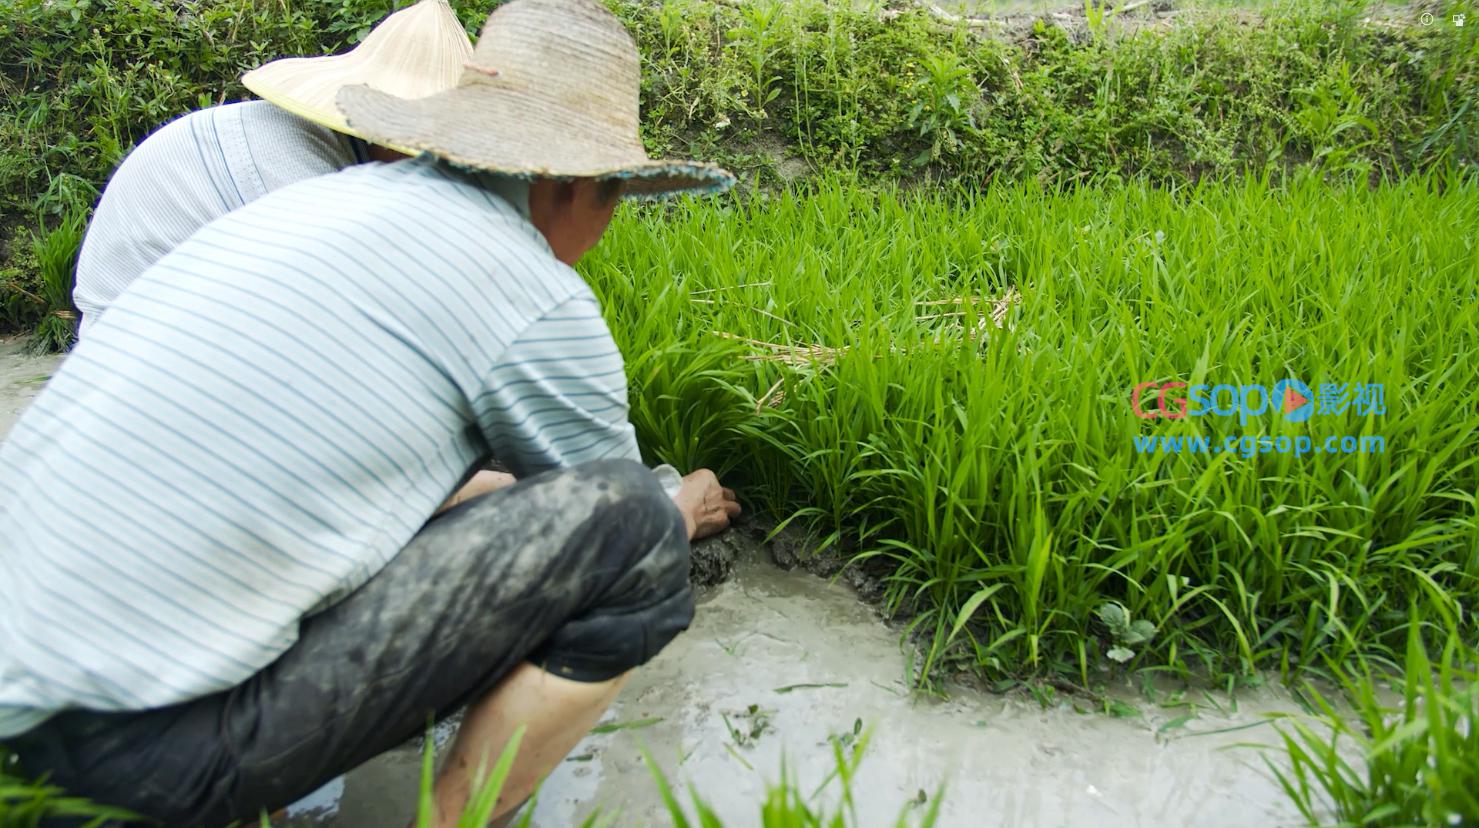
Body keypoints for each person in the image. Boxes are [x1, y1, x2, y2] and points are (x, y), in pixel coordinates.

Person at [0, 0, 741, 825]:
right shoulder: (533, 295)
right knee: (633, 527)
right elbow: (600, 519)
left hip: (18, 708)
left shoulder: (295, 210)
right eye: (616, 200)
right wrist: (680, 505)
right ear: (576, 185)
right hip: (128, 764)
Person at [72, 0, 472, 338]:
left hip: (194, 321)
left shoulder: (335, 152)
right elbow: (344, 306)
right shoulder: (293, 165)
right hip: (132, 340)